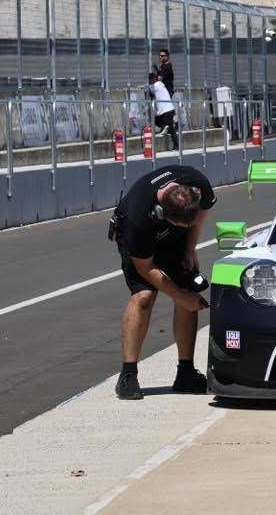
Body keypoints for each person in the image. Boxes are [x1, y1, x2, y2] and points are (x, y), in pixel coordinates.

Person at [109, 164, 215, 399]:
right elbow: (145, 268)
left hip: (174, 239)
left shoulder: (198, 183)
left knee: (188, 288)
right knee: (144, 296)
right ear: (161, 213)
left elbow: (203, 212)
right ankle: (128, 375)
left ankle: (185, 373)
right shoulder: (138, 216)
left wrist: (190, 248)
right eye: (181, 225)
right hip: (139, 243)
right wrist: (181, 297)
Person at [148, 71, 178, 149]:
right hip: (171, 109)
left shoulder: (155, 86)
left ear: (153, 79)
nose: (149, 81)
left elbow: (150, 92)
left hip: (165, 112)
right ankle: (176, 145)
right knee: (172, 129)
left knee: (155, 120)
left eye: (149, 79)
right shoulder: (161, 84)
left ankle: (165, 126)